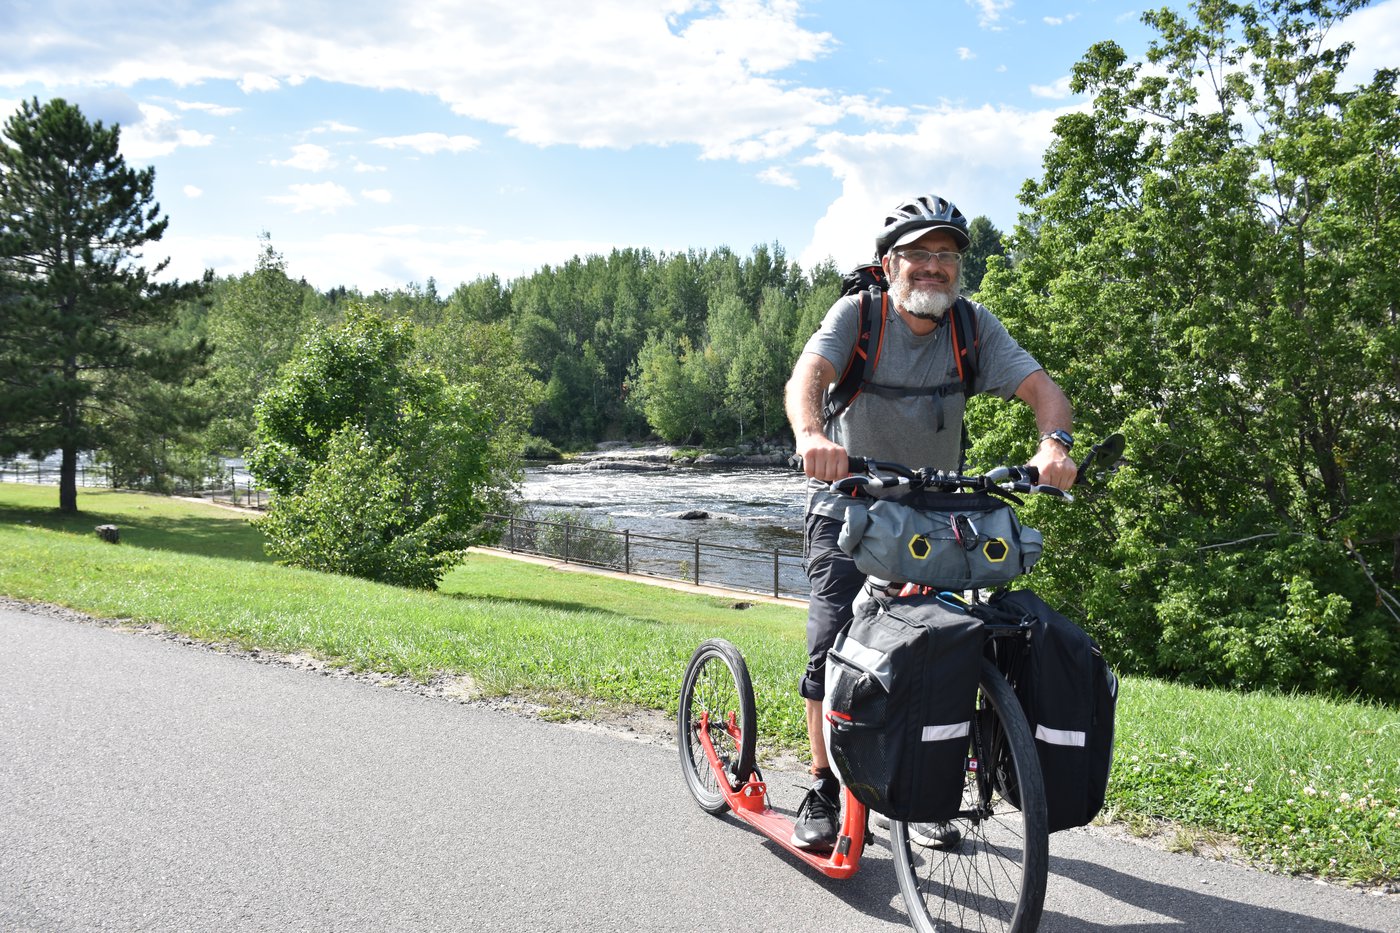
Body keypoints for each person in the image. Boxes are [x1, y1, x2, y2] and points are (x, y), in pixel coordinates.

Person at [783, 193, 1076, 851]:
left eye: (946, 255)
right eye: (918, 253)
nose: (933, 266)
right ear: (890, 264)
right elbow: (809, 376)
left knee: (944, 650)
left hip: (934, 513)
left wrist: (1054, 445)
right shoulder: (858, 317)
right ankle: (823, 785)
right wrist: (811, 435)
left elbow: (1044, 390)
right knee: (832, 642)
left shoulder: (970, 326)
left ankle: (924, 787)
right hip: (848, 503)